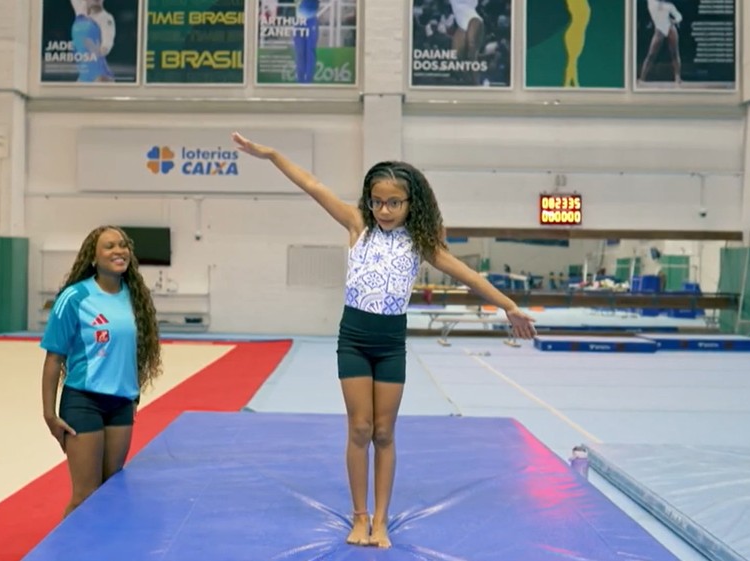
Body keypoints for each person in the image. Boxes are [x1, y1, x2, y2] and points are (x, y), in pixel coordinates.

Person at [231, 132, 537, 548]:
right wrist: (271, 155)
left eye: (394, 202)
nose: (384, 210)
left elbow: (469, 277)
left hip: (391, 344)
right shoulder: (358, 226)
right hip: (354, 338)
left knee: (384, 432)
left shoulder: (421, 243)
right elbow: (313, 185)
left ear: (411, 204)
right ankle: (359, 517)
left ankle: (381, 519)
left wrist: (508, 305)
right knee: (358, 429)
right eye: (377, 201)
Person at [40, 225, 163, 517]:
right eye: (109, 246)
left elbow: (136, 353)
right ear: (93, 258)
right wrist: (49, 414)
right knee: (85, 495)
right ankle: (65, 551)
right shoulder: (75, 297)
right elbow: (54, 360)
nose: (118, 250)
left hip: (120, 404)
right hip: (84, 401)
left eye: (123, 245)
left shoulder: (135, 297)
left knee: (111, 490)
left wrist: (132, 395)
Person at [639, 0, 682, 86]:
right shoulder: (652, 3)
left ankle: (678, 77)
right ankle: (642, 78)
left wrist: (675, 21)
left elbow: (679, 16)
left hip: (670, 28)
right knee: (651, 55)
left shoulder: (669, 5)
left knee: (674, 53)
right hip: (659, 30)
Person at [70, 0, 116, 82]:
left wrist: (98, 49)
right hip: (83, 75)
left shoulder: (105, 18)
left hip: (100, 76)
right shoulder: (81, 14)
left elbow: (107, 44)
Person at [293, 0, 320, 83]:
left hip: (311, 19)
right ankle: (300, 81)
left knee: (310, 51)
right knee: (300, 51)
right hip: (299, 21)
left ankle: (308, 81)